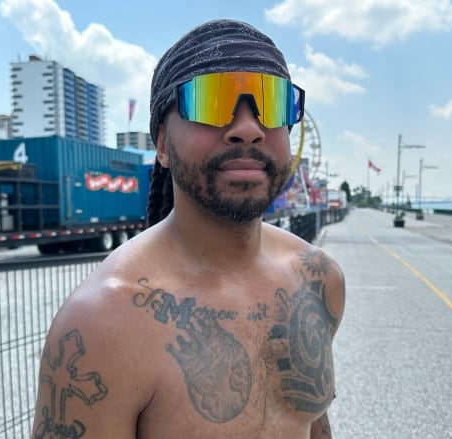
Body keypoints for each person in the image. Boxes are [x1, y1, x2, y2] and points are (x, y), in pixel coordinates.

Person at [32, 18, 346, 439]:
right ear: (162, 144)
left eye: (273, 104)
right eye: (211, 101)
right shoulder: (106, 322)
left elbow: (312, 422)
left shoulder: (318, 279)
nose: (248, 129)